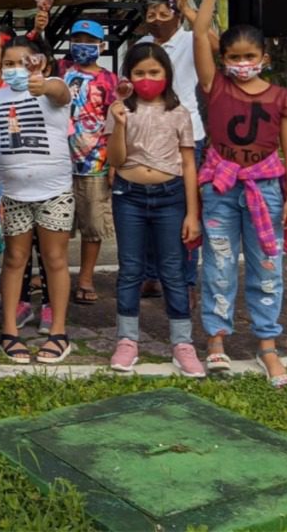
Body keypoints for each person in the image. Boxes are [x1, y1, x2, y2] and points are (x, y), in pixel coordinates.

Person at [193, 0, 287, 388]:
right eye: (234, 57)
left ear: (264, 58)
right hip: (221, 188)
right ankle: (216, 341)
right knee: (218, 266)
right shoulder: (216, 86)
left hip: (266, 191)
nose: (242, 63)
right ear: (223, 59)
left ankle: (267, 345)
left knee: (267, 268)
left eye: (249, 57)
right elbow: (198, 38)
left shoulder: (279, 97)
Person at [105, 43, 205, 378]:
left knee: (173, 270)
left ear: (166, 74)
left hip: (170, 197)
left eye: (154, 72)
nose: (146, 78)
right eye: (139, 73)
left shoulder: (179, 113)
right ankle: (127, 339)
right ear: (128, 76)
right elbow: (116, 159)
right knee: (130, 269)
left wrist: (192, 213)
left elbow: (188, 164)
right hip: (129, 196)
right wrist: (119, 123)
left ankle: (183, 343)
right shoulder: (120, 109)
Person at [0, 37, 74, 364]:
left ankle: (58, 332)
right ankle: (9, 332)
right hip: (13, 194)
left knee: (55, 259)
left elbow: (59, 93)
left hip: (55, 191)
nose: (15, 70)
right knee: (14, 259)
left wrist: (43, 83)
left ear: (41, 64)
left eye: (22, 63)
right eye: (8, 64)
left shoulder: (53, 88)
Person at [136, 0, 210, 300]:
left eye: (164, 13)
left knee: (185, 208)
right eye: (151, 14)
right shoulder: (142, 45)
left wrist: (188, 7)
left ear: (176, 15)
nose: (157, 19)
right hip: (149, 134)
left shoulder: (191, 39)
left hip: (187, 134)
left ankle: (186, 281)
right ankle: (151, 274)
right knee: (149, 204)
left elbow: (216, 45)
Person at [60, 19, 118, 312]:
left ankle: (85, 278)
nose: (82, 45)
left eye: (89, 41)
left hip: (95, 162)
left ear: (101, 46)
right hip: (59, 162)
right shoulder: (61, 71)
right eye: (77, 39)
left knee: (92, 224)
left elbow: (116, 120)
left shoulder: (110, 80)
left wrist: (114, 162)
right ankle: (52, 274)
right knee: (57, 225)